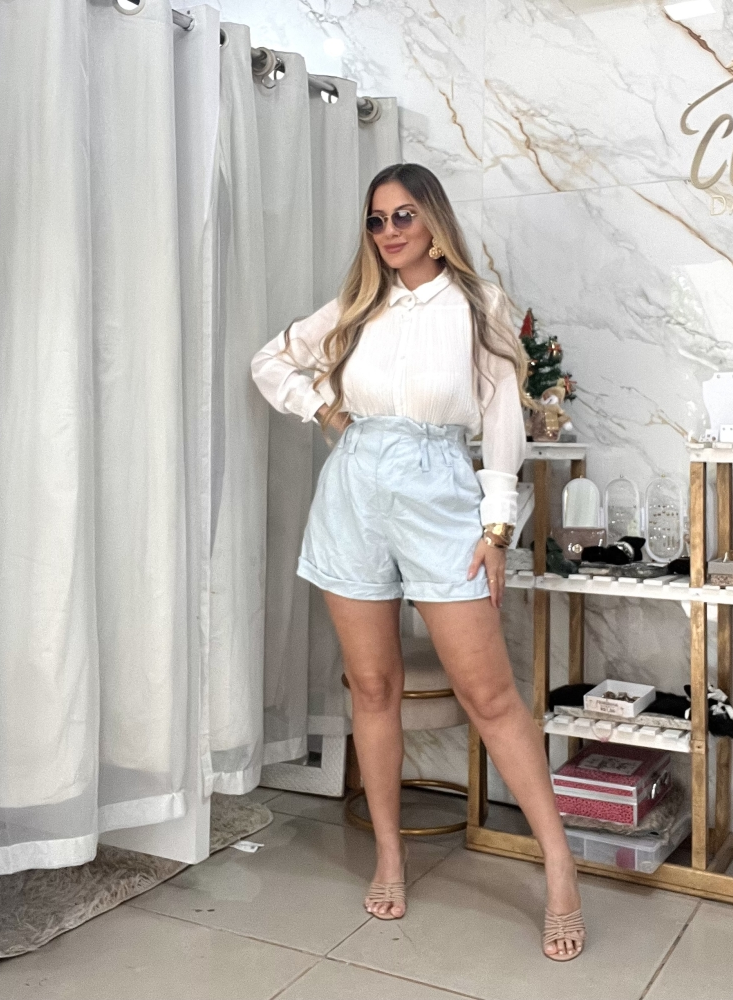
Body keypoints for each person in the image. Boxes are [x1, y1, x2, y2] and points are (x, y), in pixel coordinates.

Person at [250, 163, 585, 961]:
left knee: (489, 694)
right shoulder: (356, 306)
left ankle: (560, 865)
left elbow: (502, 417)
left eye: (403, 215)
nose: (389, 231)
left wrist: (496, 527)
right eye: (376, 220)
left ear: (433, 220)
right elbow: (269, 362)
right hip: (355, 496)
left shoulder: (478, 306)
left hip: (443, 496)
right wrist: (321, 407)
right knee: (373, 687)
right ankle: (390, 855)